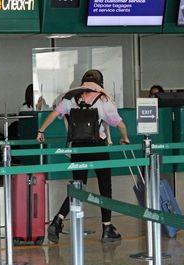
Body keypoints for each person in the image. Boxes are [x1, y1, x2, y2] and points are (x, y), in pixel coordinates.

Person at [36, 69, 130, 243]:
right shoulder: (103, 99)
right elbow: (120, 124)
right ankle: (107, 227)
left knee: (78, 187)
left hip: (78, 147)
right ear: (100, 82)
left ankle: (58, 220)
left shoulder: (72, 98)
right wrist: (124, 138)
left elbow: (54, 114)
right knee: (105, 187)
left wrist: (41, 131)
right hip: (98, 148)